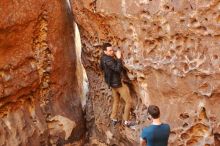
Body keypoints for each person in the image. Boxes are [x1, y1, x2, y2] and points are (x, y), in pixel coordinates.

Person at [100, 42, 134, 127]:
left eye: (112, 50)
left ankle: (113, 118)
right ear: (105, 52)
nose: (112, 52)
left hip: (112, 84)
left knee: (116, 101)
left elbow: (101, 68)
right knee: (129, 102)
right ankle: (126, 121)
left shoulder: (103, 58)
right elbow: (118, 69)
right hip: (118, 84)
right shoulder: (109, 60)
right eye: (110, 51)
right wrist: (118, 58)